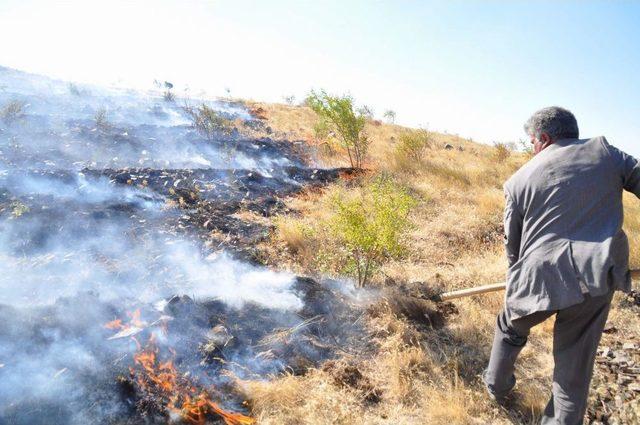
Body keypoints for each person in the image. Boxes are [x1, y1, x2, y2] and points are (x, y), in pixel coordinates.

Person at [481, 106, 640, 424]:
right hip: (597, 277)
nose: (531, 148)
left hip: (537, 276)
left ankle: (497, 387)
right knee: (573, 372)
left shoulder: (517, 180)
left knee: (509, 327)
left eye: (530, 141)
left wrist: (517, 284)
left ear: (542, 137)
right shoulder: (605, 152)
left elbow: (512, 247)